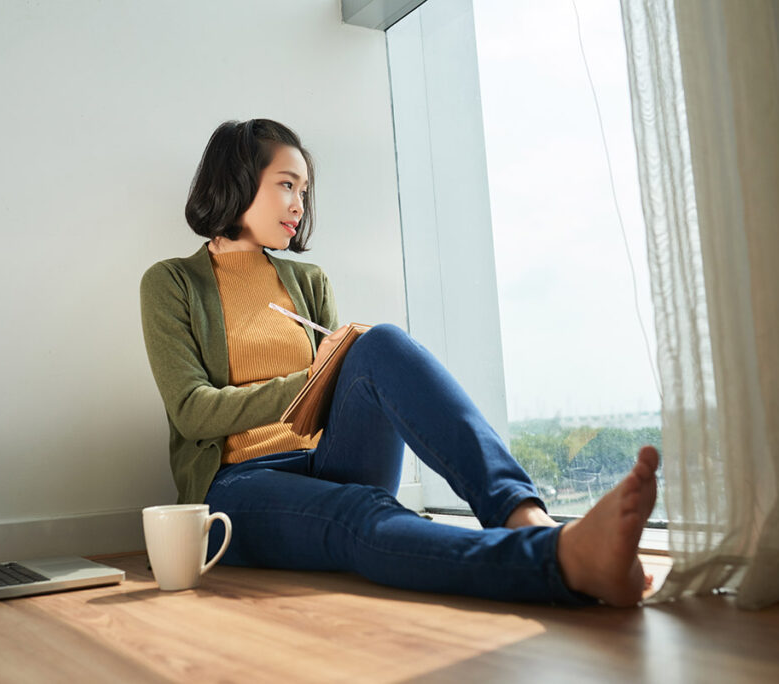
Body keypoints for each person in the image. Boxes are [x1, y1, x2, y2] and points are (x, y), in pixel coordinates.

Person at [140, 119, 660, 607]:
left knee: (379, 342)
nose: (299, 203)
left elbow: (334, 399)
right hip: (237, 487)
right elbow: (191, 410)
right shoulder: (173, 283)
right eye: (286, 184)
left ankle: (523, 515)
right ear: (238, 181)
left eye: (304, 190)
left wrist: (335, 371)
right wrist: (309, 380)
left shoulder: (309, 280)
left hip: (324, 462)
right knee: (362, 513)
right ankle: (560, 561)